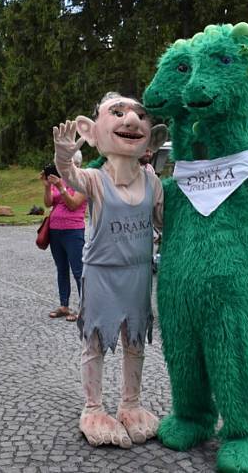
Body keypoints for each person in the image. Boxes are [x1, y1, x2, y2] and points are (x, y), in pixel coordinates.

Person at [53, 92, 167, 449]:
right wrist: (63, 154)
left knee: (135, 341)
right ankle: (93, 408)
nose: (131, 121)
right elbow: (70, 176)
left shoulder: (153, 182)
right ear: (92, 131)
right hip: (102, 271)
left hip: (138, 272)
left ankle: (130, 404)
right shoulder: (95, 179)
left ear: (154, 135)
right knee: (96, 342)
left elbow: (165, 223)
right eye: (117, 113)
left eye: (139, 115)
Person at [41, 151, 87, 322]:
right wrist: (47, 186)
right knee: (61, 268)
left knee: (78, 270)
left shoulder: (82, 181)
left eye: (63, 163)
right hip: (55, 231)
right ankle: (64, 305)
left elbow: (74, 204)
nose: (60, 166)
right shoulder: (59, 180)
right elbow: (47, 203)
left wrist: (61, 187)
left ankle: (85, 308)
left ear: (75, 163)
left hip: (73, 230)